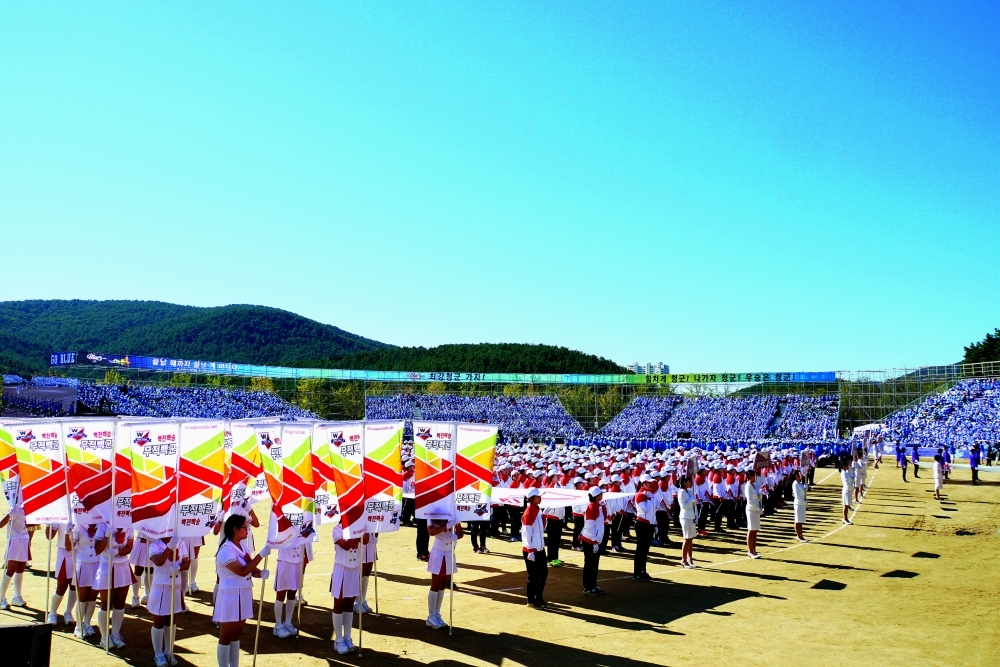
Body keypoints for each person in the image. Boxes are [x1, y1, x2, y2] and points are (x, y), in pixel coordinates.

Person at [214, 514, 270, 667]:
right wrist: (261, 555)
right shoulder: (225, 551)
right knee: (226, 636)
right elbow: (242, 571)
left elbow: (251, 568)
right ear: (235, 529)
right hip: (229, 596)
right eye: (245, 527)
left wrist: (260, 573)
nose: (247, 530)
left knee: (236, 635)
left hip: (244, 593)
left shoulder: (242, 547)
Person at [147, 536, 190, 667]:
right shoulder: (154, 546)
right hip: (161, 587)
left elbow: (186, 562)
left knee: (172, 621)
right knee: (159, 621)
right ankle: (158, 654)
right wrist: (169, 547)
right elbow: (158, 562)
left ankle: (169, 651)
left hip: (175, 587)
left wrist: (179, 567)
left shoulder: (181, 543)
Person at [94, 521, 135, 650]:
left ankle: (116, 634)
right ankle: (105, 637)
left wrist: (117, 552)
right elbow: (97, 549)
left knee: (120, 602)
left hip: (123, 566)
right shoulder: (103, 525)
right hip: (107, 565)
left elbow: (129, 547)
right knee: (106, 603)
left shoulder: (128, 525)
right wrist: (106, 535)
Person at [330, 523, 361, 653]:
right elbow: (346, 545)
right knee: (339, 604)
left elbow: (366, 541)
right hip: (341, 569)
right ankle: (338, 640)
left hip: (354, 569)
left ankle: (347, 636)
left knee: (349, 604)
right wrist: (356, 532)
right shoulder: (337, 530)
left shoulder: (360, 528)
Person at [426, 518, 462, 628]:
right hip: (438, 552)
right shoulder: (432, 514)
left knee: (443, 585)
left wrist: (455, 536)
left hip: (449, 553)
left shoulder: (453, 515)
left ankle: (437, 614)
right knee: (435, 584)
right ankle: (431, 616)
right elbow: (431, 532)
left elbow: (460, 532)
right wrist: (446, 526)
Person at [72, 521, 101, 638]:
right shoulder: (79, 526)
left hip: (98, 564)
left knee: (92, 596)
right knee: (82, 597)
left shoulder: (102, 526)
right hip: (83, 563)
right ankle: (78, 626)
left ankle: (87, 623)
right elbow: (70, 546)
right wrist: (68, 533)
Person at [46, 522, 78, 625]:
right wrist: (49, 523)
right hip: (64, 552)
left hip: (81, 552)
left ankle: (68, 612)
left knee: (75, 586)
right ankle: (52, 613)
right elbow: (49, 536)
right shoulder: (59, 513)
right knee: (61, 587)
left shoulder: (83, 512)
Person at [521, 487, 548, 609]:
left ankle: (538, 596)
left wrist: (544, 518)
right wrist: (530, 550)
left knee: (543, 574)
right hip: (532, 550)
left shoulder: (537, 510)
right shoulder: (529, 512)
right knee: (533, 576)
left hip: (540, 548)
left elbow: (541, 529)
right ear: (532, 499)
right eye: (538, 496)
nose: (540, 497)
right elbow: (527, 533)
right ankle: (531, 600)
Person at [0, 503, 31, 610]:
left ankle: (17, 597)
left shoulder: (29, 508)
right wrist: (9, 514)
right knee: (11, 569)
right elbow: (0, 524)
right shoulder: (14, 509)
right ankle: (1, 597)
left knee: (21, 569)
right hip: (14, 541)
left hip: (24, 540)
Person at [579, 486, 606, 596]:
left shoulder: (596, 506)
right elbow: (590, 525)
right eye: (600, 494)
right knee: (590, 564)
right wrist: (594, 541)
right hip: (590, 541)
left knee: (594, 564)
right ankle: (587, 587)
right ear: (597, 496)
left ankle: (593, 584)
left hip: (593, 540)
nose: (602, 495)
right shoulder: (592, 507)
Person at [632, 474, 657, 581]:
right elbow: (646, 509)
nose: (651, 484)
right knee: (640, 549)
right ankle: (637, 572)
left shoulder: (648, 494)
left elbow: (653, 510)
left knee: (645, 550)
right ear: (643, 483)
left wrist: (654, 524)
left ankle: (643, 571)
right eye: (649, 482)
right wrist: (651, 499)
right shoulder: (640, 495)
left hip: (648, 524)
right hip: (642, 524)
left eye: (652, 482)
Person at [677, 475, 697, 568]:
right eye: (689, 481)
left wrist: (696, 515)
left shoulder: (689, 491)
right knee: (687, 538)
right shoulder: (681, 492)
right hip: (685, 517)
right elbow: (683, 506)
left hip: (691, 516)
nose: (691, 483)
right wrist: (691, 499)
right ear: (685, 482)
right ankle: (683, 560)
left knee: (691, 538)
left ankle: (690, 558)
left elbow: (694, 505)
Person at [356, 530, 376, 615]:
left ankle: (363, 600)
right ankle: (356, 602)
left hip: (371, 544)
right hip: (360, 544)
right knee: (360, 573)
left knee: (367, 572)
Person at [745, 469, 762, 559]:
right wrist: (758, 509)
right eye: (754, 476)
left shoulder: (754, 485)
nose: (756, 477)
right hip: (751, 510)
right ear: (750, 477)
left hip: (756, 510)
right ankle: (750, 551)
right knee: (751, 530)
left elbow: (756, 498)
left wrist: (760, 494)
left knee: (755, 530)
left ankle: (754, 550)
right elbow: (750, 501)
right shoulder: (748, 486)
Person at [791, 469, 808, 543]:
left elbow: (803, 494)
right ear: (796, 476)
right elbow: (797, 496)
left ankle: (801, 535)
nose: (801, 475)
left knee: (800, 520)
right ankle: (798, 535)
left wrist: (805, 489)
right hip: (798, 504)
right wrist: (804, 502)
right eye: (799, 474)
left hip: (802, 504)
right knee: (797, 520)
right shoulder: (795, 484)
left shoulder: (800, 483)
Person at [839, 459, 854, 525]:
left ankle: (846, 518)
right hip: (846, 490)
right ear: (844, 466)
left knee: (847, 505)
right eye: (847, 465)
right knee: (846, 505)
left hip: (849, 489)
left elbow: (850, 479)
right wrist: (852, 486)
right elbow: (847, 482)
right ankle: (845, 518)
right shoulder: (843, 473)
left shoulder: (846, 472)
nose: (848, 466)